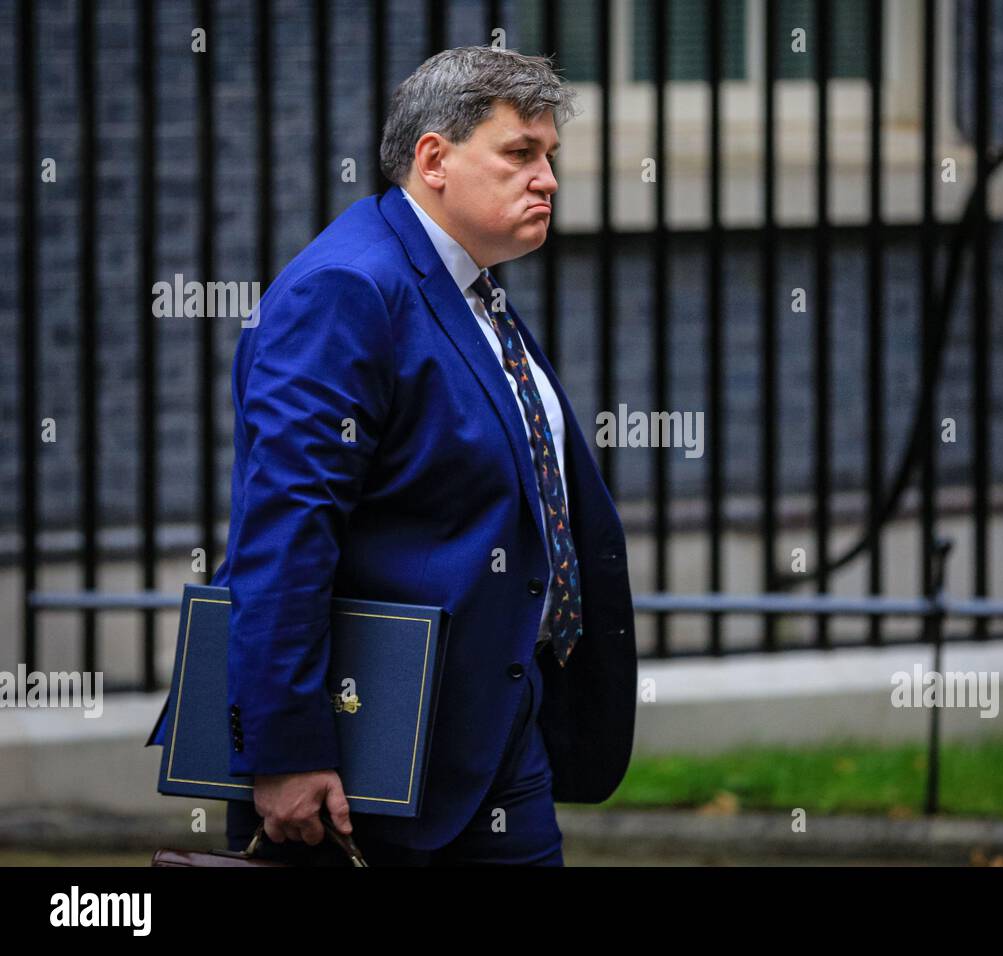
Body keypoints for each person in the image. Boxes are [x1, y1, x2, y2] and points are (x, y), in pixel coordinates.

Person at [145, 45, 638, 866]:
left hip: (494, 738)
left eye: (550, 156)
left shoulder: (468, 288)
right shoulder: (348, 289)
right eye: (520, 153)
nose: (547, 178)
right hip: (364, 760)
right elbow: (285, 536)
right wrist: (286, 749)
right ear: (434, 159)